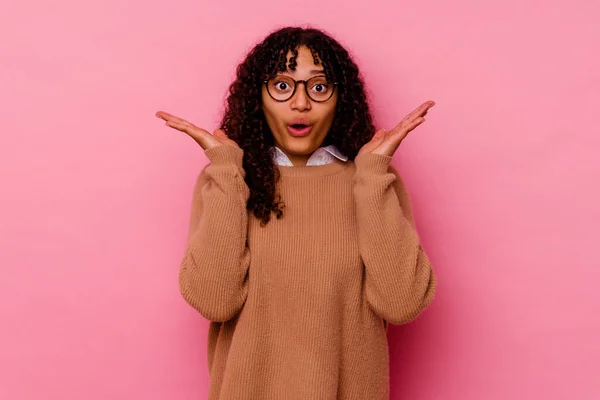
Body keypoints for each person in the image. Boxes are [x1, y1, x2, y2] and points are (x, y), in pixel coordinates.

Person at [155, 26, 437, 400]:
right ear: (259, 97)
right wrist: (225, 170)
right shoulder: (227, 181)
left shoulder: (374, 181)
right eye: (283, 86)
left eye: (318, 87)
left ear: (341, 99)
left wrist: (371, 175)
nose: (301, 103)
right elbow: (215, 300)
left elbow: (401, 303)